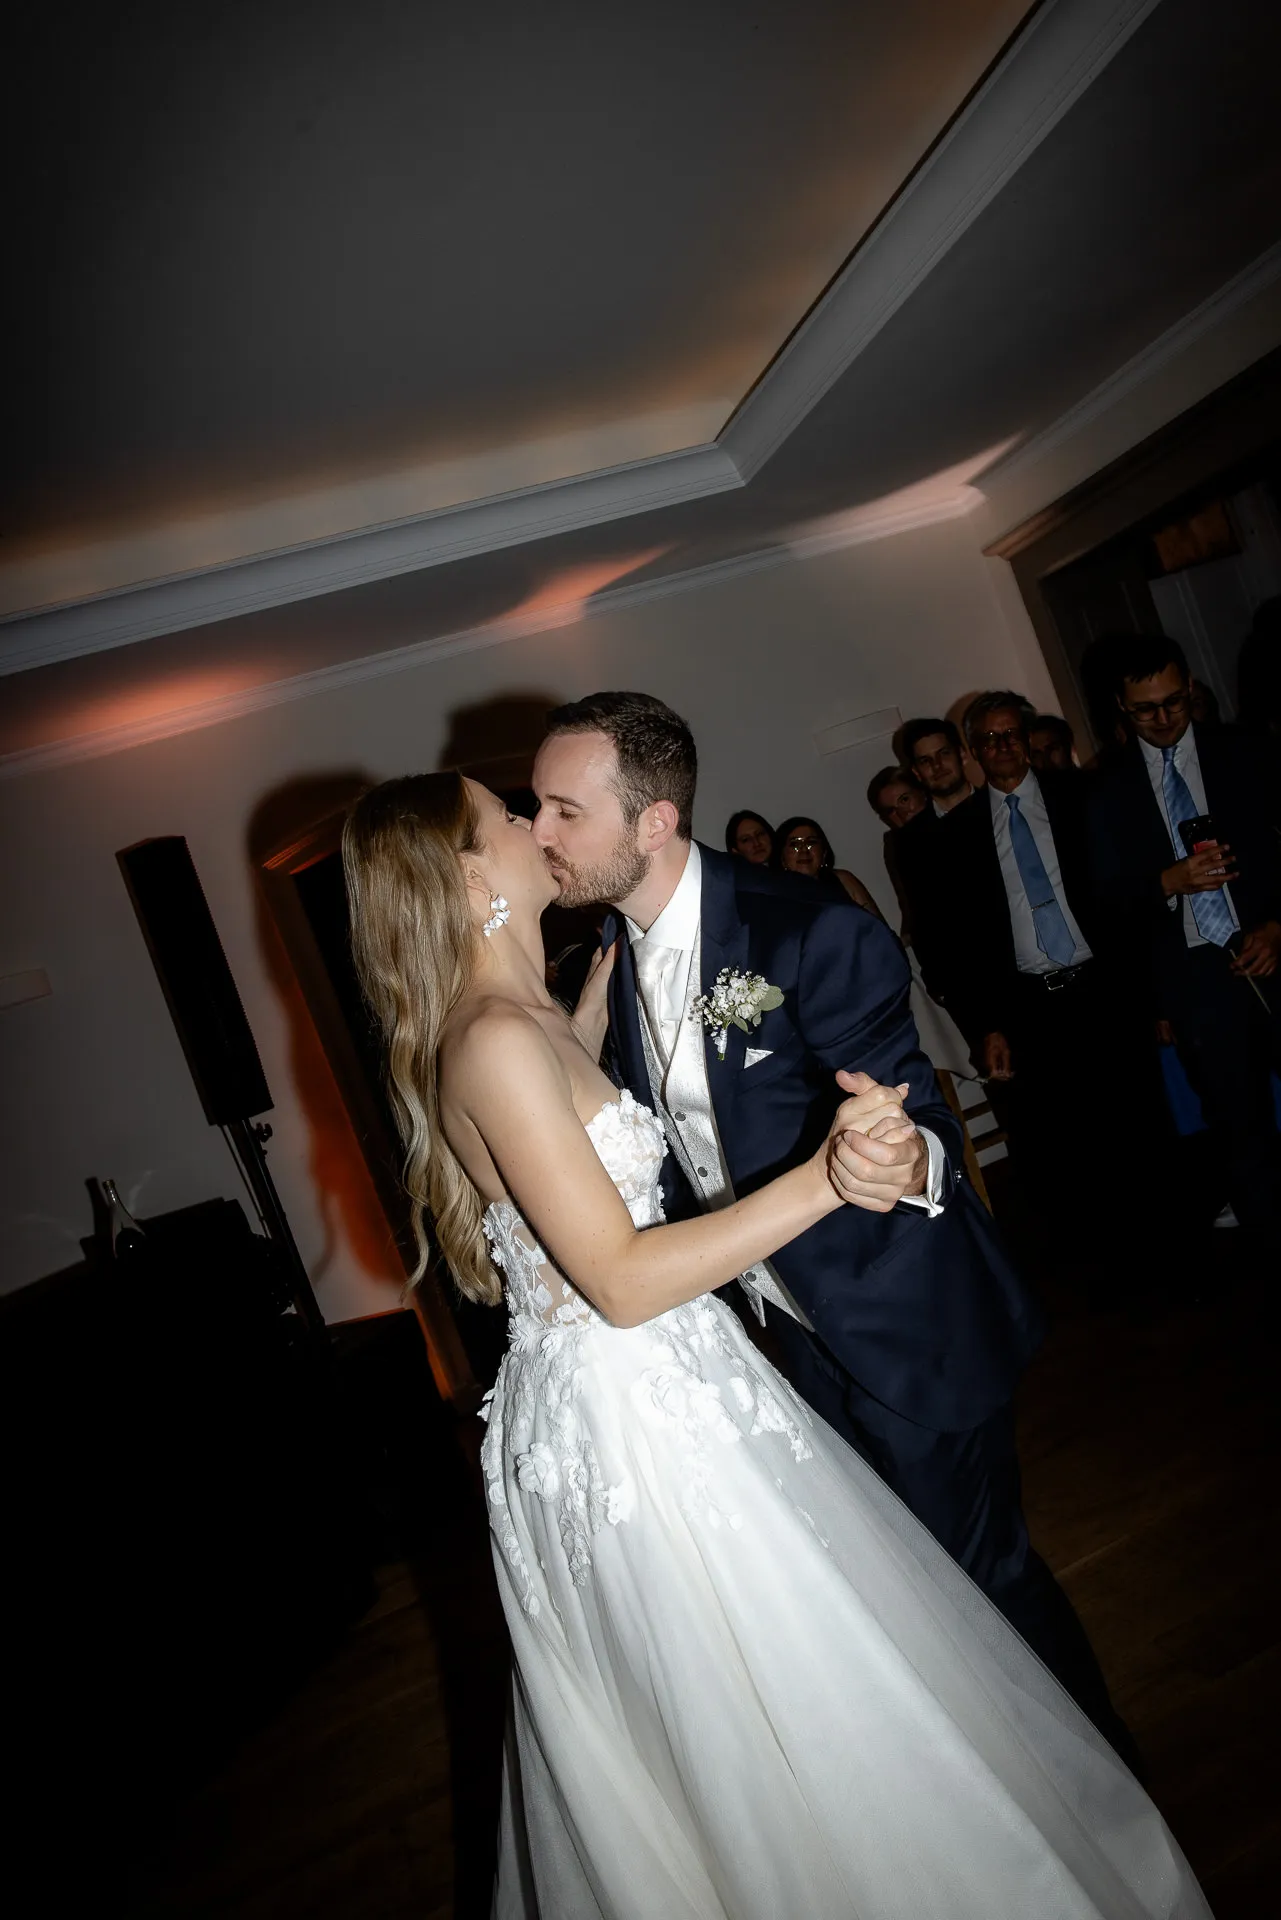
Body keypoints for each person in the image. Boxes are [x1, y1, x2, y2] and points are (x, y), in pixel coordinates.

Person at [342, 759, 1208, 1920]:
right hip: (637, 1411)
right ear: (464, 874)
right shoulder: (496, 1039)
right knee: (781, 1696)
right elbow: (621, 1277)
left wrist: (595, 1016)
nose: (532, 826)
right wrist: (826, 1181)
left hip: (676, 1380)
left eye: (548, 805)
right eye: (509, 816)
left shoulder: (540, 1013)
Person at [532, 692, 1140, 1771]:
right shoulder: (609, 966)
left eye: (564, 812)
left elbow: (914, 1116)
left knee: (988, 1585)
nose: (542, 835)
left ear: (656, 822)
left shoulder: (809, 929)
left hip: (906, 1326)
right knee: (898, 1603)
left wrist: (902, 1162)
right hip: (784, 1349)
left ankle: (1103, 1796)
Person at [919, 693, 1161, 1249]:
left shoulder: (1082, 798)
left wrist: (1152, 993)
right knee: (1061, 1140)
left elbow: (1128, 894)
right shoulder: (956, 836)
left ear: (1027, 740)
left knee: (1138, 1124)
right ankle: (1101, 1256)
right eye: (989, 739)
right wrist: (988, 1025)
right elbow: (960, 946)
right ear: (975, 751)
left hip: (1104, 988)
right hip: (1029, 1007)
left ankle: (1166, 1243)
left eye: (1011, 735)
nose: (1002, 746)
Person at [1087, 633, 1281, 1246]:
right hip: (1197, 981)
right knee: (1239, 1127)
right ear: (1120, 705)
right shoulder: (1104, 790)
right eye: (1147, 709)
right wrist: (1165, 881)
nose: (1166, 719)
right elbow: (1102, 903)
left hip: (1275, 953)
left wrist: (1279, 925)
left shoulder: (1245, 752)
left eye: (1175, 701)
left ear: (1191, 688)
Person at [773, 812, 882, 913]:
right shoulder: (772, 892)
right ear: (781, 855)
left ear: (824, 852)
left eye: (811, 842)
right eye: (794, 844)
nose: (804, 850)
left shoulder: (843, 880)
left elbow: (879, 929)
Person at [866, 764, 926, 938]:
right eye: (891, 810)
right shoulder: (896, 846)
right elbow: (908, 900)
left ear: (921, 792)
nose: (902, 812)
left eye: (904, 799)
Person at [901, 715, 975, 815]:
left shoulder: (999, 806)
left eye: (944, 753)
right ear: (916, 772)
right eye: (925, 761)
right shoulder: (917, 830)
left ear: (962, 755)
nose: (936, 765)